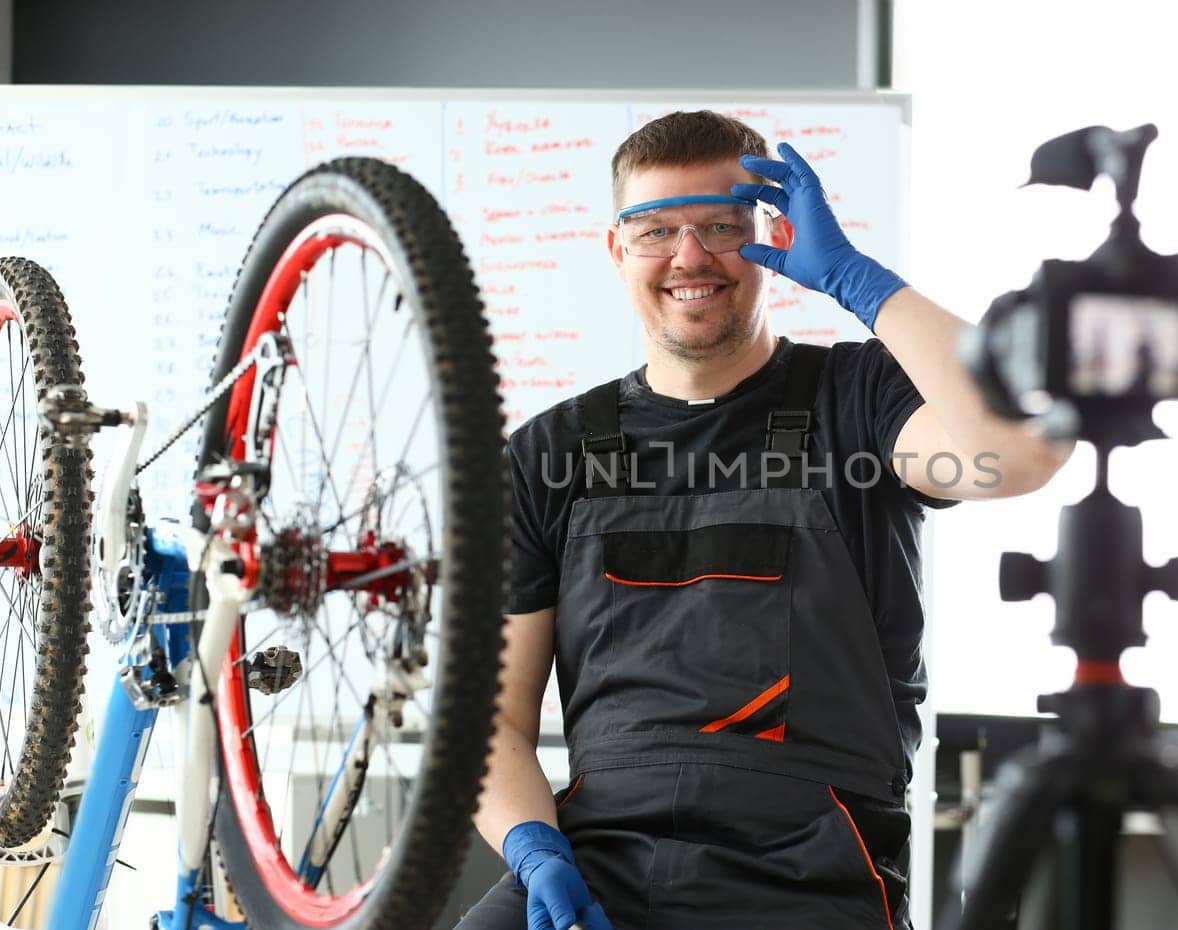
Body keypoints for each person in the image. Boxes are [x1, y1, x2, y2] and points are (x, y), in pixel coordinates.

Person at [457, 110, 1071, 930]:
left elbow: (1026, 449)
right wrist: (536, 851)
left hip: (814, 872)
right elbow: (490, 717)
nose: (689, 256)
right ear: (617, 250)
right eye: (656, 230)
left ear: (771, 239)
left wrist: (857, 279)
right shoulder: (547, 454)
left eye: (721, 226)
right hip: (600, 862)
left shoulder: (858, 402)